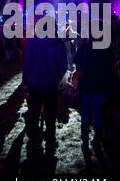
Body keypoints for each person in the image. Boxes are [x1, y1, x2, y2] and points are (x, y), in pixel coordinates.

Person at [74, 25, 115, 170]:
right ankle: (96, 140)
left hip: (87, 85)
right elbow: (111, 68)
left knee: (86, 114)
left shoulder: (87, 46)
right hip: (101, 87)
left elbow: (76, 59)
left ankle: (85, 140)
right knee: (98, 114)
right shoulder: (108, 47)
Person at [22, 18, 67, 148]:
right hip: (50, 85)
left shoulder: (32, 42)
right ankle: (49, 136)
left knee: (34, 111)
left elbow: (27, 64)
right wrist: (56, 76)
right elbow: (63, 65)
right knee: (50, 112)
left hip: (34, 83)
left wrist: (25, 81)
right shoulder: (58, 43)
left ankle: (32, 133)